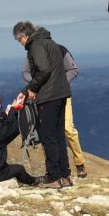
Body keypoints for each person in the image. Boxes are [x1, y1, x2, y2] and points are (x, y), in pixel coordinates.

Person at [14, 21, 73, 189]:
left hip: (49, 96)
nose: (21, 44)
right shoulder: (50, 42)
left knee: (48, 136)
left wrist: (31, 88)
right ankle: (65, 176)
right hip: (62, 93)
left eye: (20, 41)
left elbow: (44, 69)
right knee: (59, 135)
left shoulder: (36, 45)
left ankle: (54, 177)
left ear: (24, 36)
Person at [23, 44, 88, 178]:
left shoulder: (60, 49)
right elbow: (25, 72)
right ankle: (54, 169)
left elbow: (72, 69)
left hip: (61, 94)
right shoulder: (32, 52)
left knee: (68, 129)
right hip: (43, 96)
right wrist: (37, 82)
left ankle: (79, 163)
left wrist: (58, 82)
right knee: (47, 133)